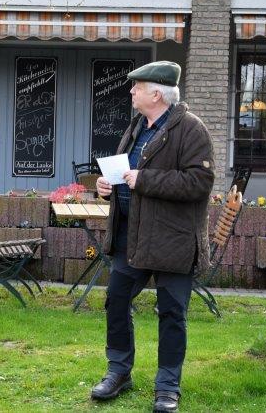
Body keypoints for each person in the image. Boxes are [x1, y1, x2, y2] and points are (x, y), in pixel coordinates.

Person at [91, 61, 214, 412]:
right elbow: (126, 175)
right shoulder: (136, 127)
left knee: (172, 312)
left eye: (138, 87)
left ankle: (167, 386)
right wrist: (106, 186)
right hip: (131, 236)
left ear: (156, 94)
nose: (131, 91)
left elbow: (200, 182)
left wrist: (144, 180)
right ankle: (119, 372)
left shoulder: (192, 129)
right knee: (117, 300)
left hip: (174, 240)